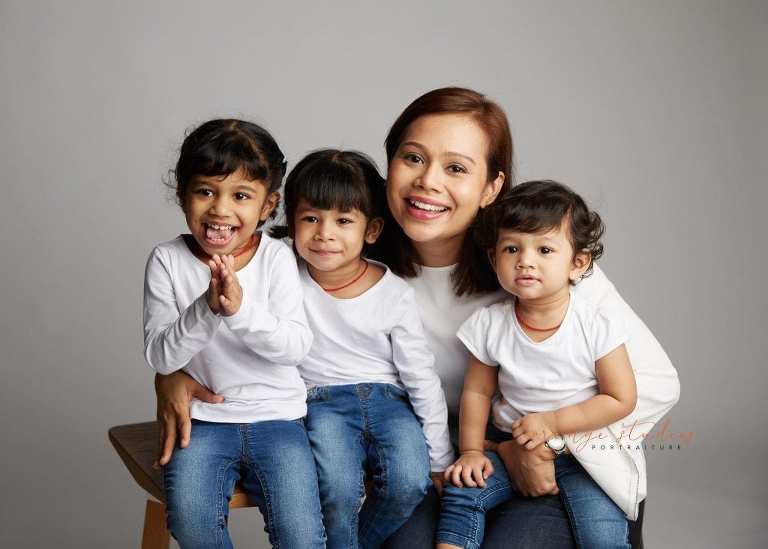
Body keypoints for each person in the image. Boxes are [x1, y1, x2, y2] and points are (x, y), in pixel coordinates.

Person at [154, 88, 680, 548]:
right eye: (413, 159)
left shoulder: (535, 263)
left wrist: (540, 443)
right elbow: (221, 278)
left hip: (550, 467)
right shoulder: (336, 252)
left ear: (492, 187)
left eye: (456, 168)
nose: (428, 182)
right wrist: (171, 372)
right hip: (440, 456)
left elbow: (655, 387)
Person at [143, 119, 325, 548]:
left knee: (301, 535)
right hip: (203, 424)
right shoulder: (167, 261)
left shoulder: (276, 258)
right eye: (206, 191)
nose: (221, 210)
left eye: (241, 196)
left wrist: (240, 310)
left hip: (278, 420)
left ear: (267, 206)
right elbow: (161, 357)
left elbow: (294, 347)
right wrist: (207, 307)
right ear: (183, 194)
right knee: (191, 522)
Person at [437, 180, 638, 549]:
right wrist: (470, 451)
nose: (525, 260)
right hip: (510, 444)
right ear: (494, 258)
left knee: (600, 534)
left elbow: (620, 398)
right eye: (512, 248)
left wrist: (551, 423)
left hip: (584, 455)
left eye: (545, 249)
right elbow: (477, 392)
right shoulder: (491, 324)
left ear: (577, 264)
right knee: (462, 491)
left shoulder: (595, 324)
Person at [269, 149, 453, 548]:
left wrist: (441, 455)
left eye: (344, 221)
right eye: (311, 218)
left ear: (371, 231)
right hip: (323, 402)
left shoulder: (394, 293)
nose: (324, 234)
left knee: (408, 481)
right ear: (292, 221)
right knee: (336, 489)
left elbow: (421, 376)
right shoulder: (283, 273)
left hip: (390, 402)